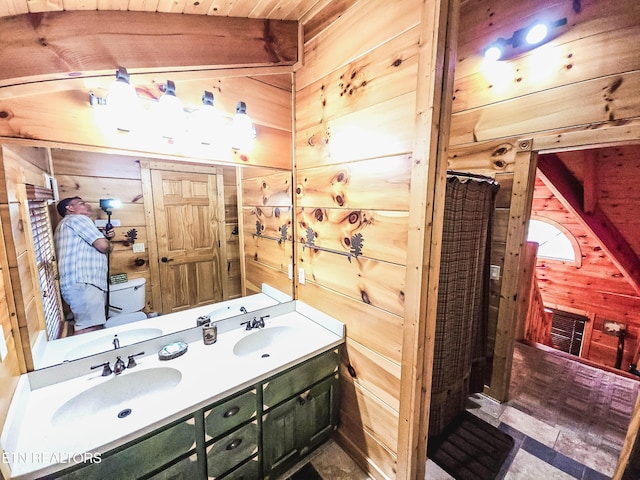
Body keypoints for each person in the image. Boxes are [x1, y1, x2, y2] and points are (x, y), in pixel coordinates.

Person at [54, 196, 115, 335]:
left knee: (89, 326)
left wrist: (103, 235)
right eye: (81, 204)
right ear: (69, 208)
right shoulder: (78, 219)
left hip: (77, 282)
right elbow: (103, 246)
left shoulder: (64, 224)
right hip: (85, 282)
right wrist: (108, 242)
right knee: (89, 329)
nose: (87, 205)